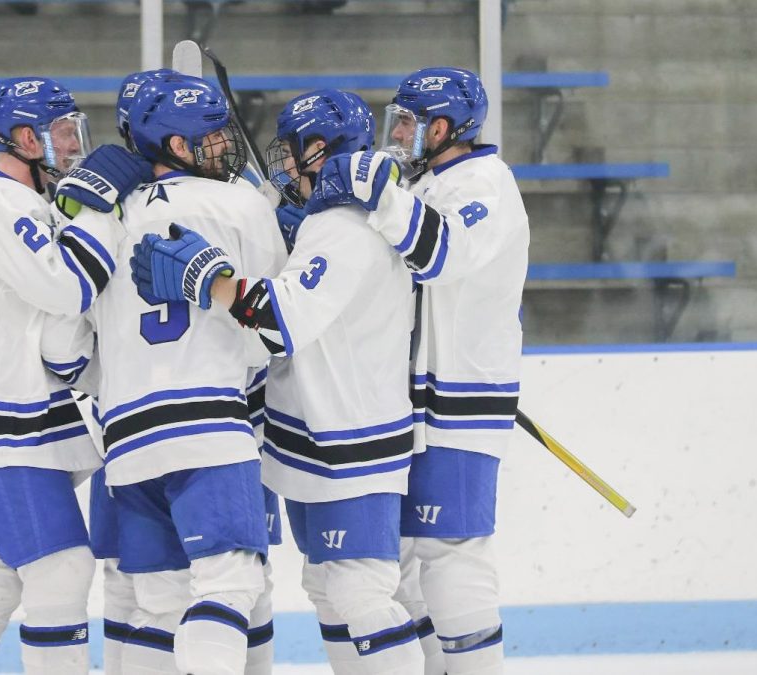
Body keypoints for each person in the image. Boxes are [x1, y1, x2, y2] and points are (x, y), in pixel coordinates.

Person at [131, 89, 423, 675]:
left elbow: (277, 324)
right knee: (328, 587)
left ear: (318, 149)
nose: (284, 163)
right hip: (319, 439)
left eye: (291, 152)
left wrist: (209, 277)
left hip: (352, 442)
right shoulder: (329, 224)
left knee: (362, 593)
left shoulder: (346, 229)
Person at [56, 72, 287, 675]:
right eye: (211, 135)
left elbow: (66, 349)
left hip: (126, 440)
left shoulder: (105, 217)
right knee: (232, 586)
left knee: (158, 609)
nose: (225, 145)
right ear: (177, 147)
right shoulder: (239, 203)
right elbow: (276, 333)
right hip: (211, 425)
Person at [0, 76, 149, 675]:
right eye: (66, 131)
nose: (77, 144)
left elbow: (56, 330)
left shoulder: (27, 205)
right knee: (62, 571)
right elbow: (66, 287)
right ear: (27, 138)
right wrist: (99, 212)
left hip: (6, 418)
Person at [307, 66, 531, 675]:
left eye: (406, 121)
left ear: (441, 127)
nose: (396, 132)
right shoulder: (429, 182)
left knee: (451, 552)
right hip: (408, 403)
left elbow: (442, 254)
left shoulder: (485, 182)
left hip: (458, 401)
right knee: (399, 562)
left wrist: (378, 194)